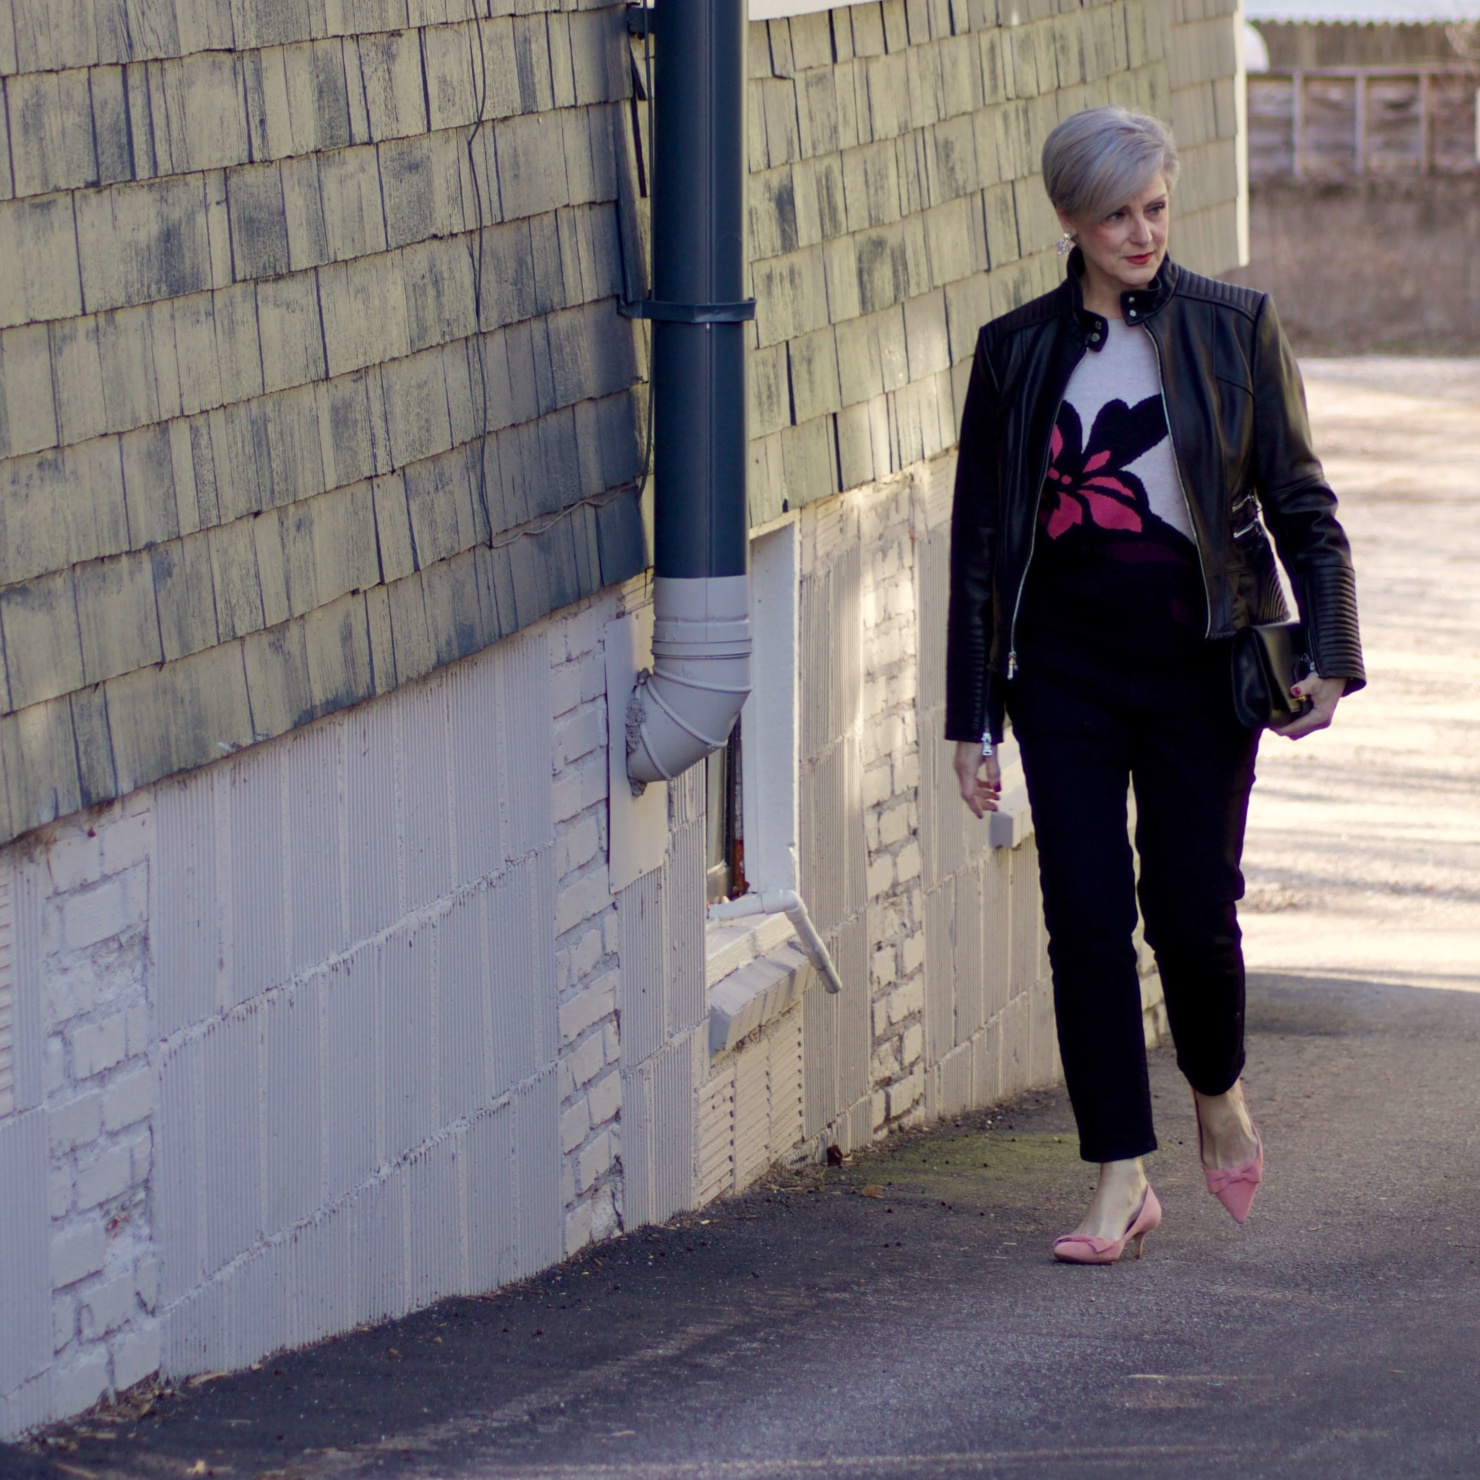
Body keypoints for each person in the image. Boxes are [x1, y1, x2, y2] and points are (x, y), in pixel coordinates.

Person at [944, 106, 1364, 1264]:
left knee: (1190, 909)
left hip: (1199, 669)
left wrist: (1329, 649)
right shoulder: (1016, 352)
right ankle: (1118, 1176)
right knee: (1082, 916)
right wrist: (972, 717)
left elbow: (1302, 505)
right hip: (1063, 678)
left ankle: (1216, 1085)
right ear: (1070, 218)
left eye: (1156, 208)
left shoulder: (1235, 329)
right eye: (1117, 213)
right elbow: (981, 544)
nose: (1141, 232)